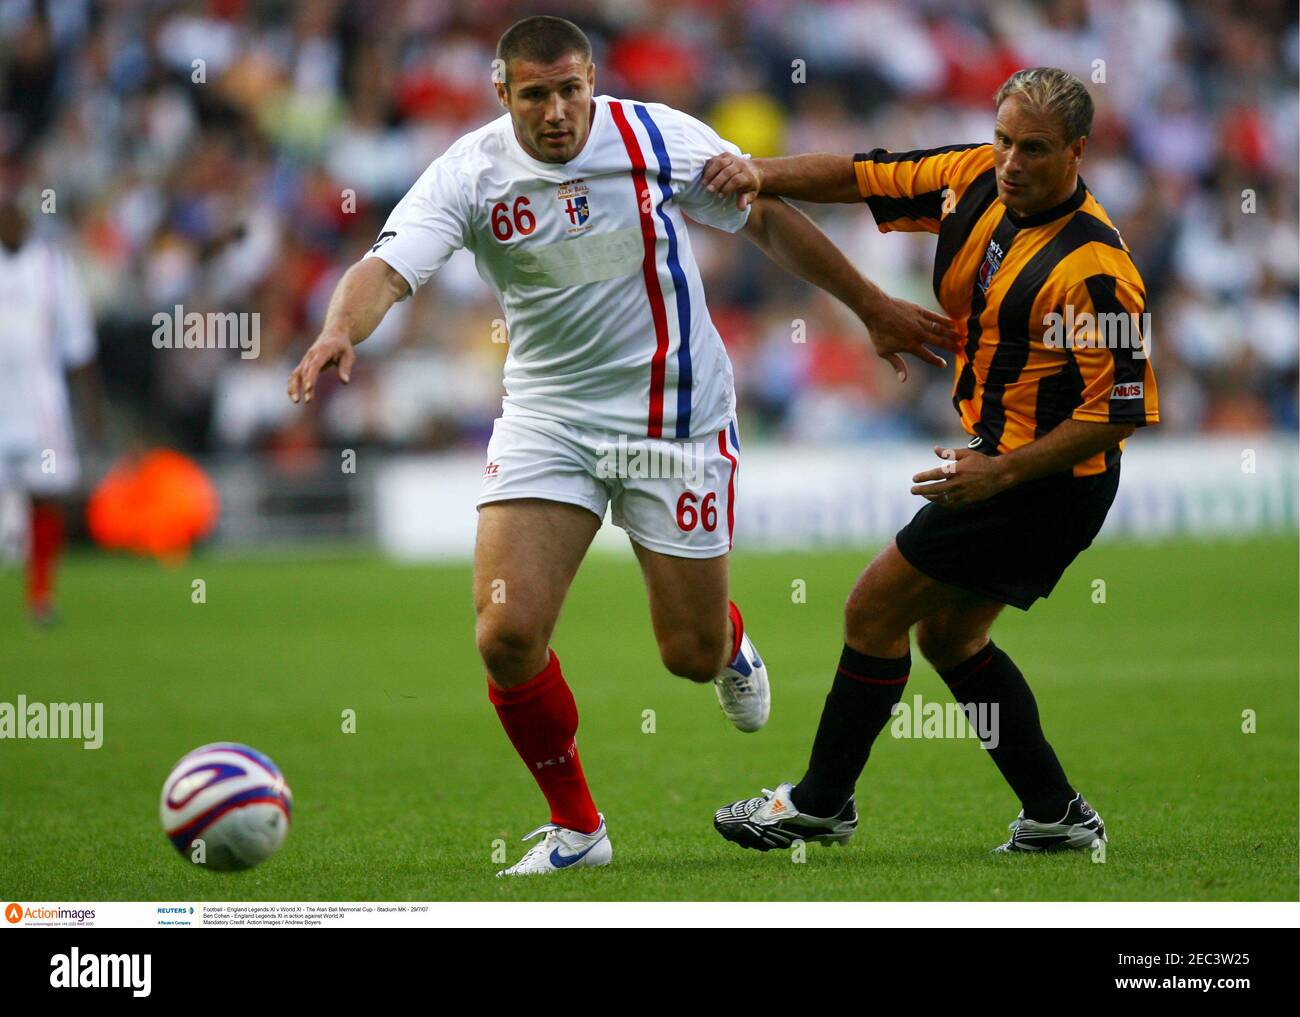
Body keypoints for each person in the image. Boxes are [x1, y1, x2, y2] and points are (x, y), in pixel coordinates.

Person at [287, 16, 956, 875]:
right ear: (504, 94)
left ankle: (726, 640)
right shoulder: (470, 171)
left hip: (673, 418)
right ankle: (578, 828)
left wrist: (869, 305)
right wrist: (341, 330)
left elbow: (764, 219)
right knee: (505, 631)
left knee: (688, 653)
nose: (559, 111)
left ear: (592, 79)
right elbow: (385, 268)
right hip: (548, 417)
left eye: (572, 89)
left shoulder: (654, 136)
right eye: (537, 94)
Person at [705, 67, 1160, 853]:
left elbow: (1122, 409)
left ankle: (819, 803)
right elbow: (860, 175)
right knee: (950, 638)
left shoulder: (1097, 270)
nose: (1012, 162)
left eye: (1036, 149)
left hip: (1044, 481)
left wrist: (1003, 472)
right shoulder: (972, 178)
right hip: (1003, 463)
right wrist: (757, 170)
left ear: (1078, 152)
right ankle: (1054, 813)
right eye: (1005, 139)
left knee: (874, 608)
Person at [0, 185, 99, 625]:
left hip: (40, 400)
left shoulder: (51, 267)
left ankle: (40, 594)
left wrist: (88, 411)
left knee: (45, 493)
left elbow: (78, 346)